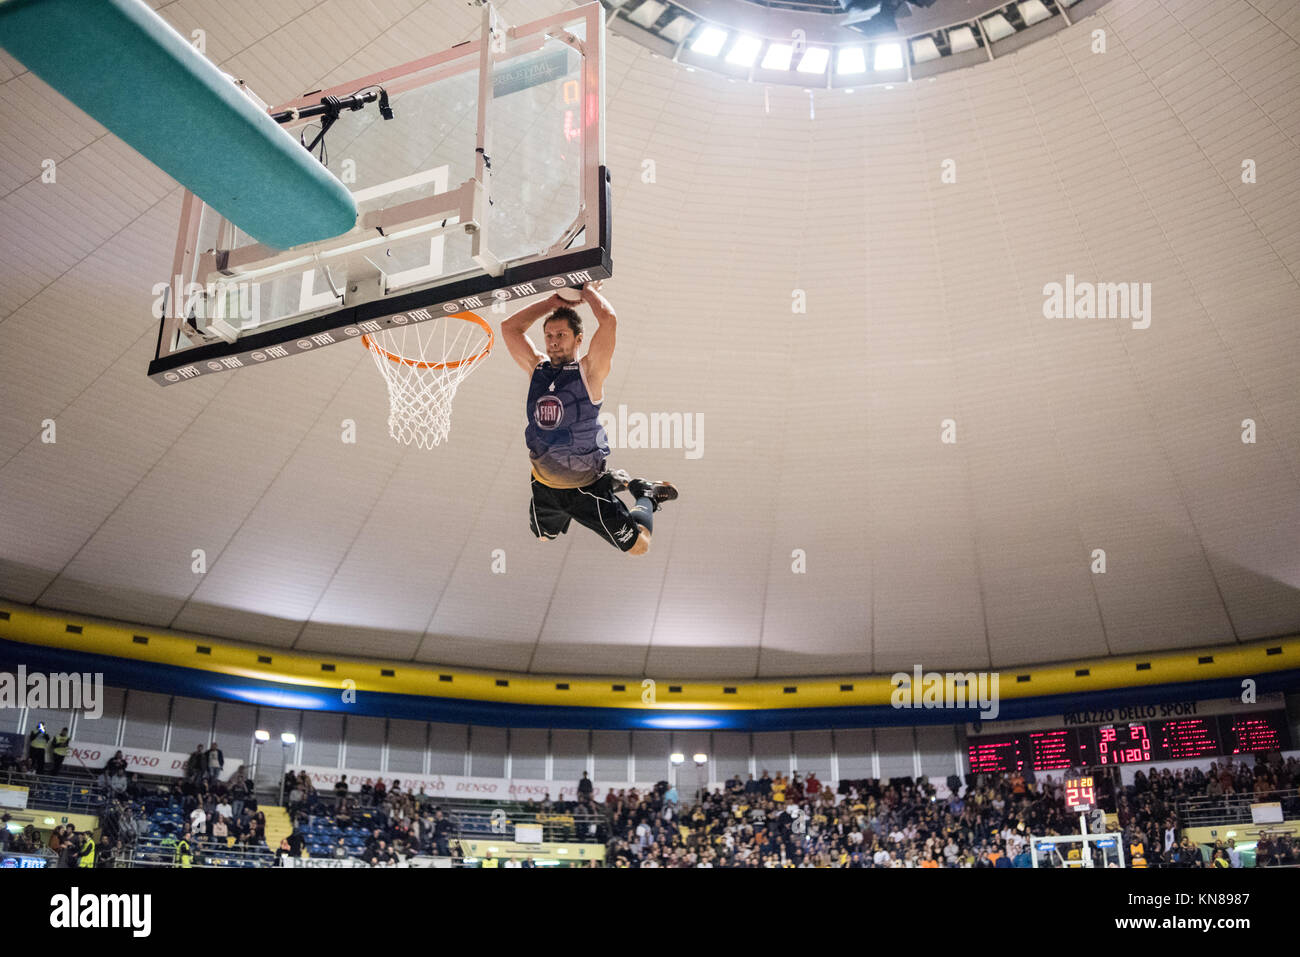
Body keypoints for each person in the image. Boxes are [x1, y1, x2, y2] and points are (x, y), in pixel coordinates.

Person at [501, 282, 677, 555]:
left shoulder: (589, 371)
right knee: (544, 538)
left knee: (639, 547)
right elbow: (509, 328)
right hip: (544, 483)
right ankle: (614, 480)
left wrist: (586, 291)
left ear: (578, 338)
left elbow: (608, 320)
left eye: (561, 334)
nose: (553, 340)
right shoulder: (537, 368)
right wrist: (554, 301)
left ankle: (645, 496)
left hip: (585, 488)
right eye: (548, 335)